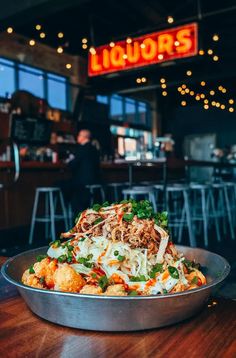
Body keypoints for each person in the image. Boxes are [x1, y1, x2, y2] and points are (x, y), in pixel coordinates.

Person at [60, 129, 101, 213]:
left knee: (60, 184)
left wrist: (68, 163)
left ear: (84, 137)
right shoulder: (94, 149)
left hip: (83, 183)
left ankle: (66, 212)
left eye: (79, 135)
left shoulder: (81, 149)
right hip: (95, 181)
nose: (77, 137)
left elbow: (73, 165)